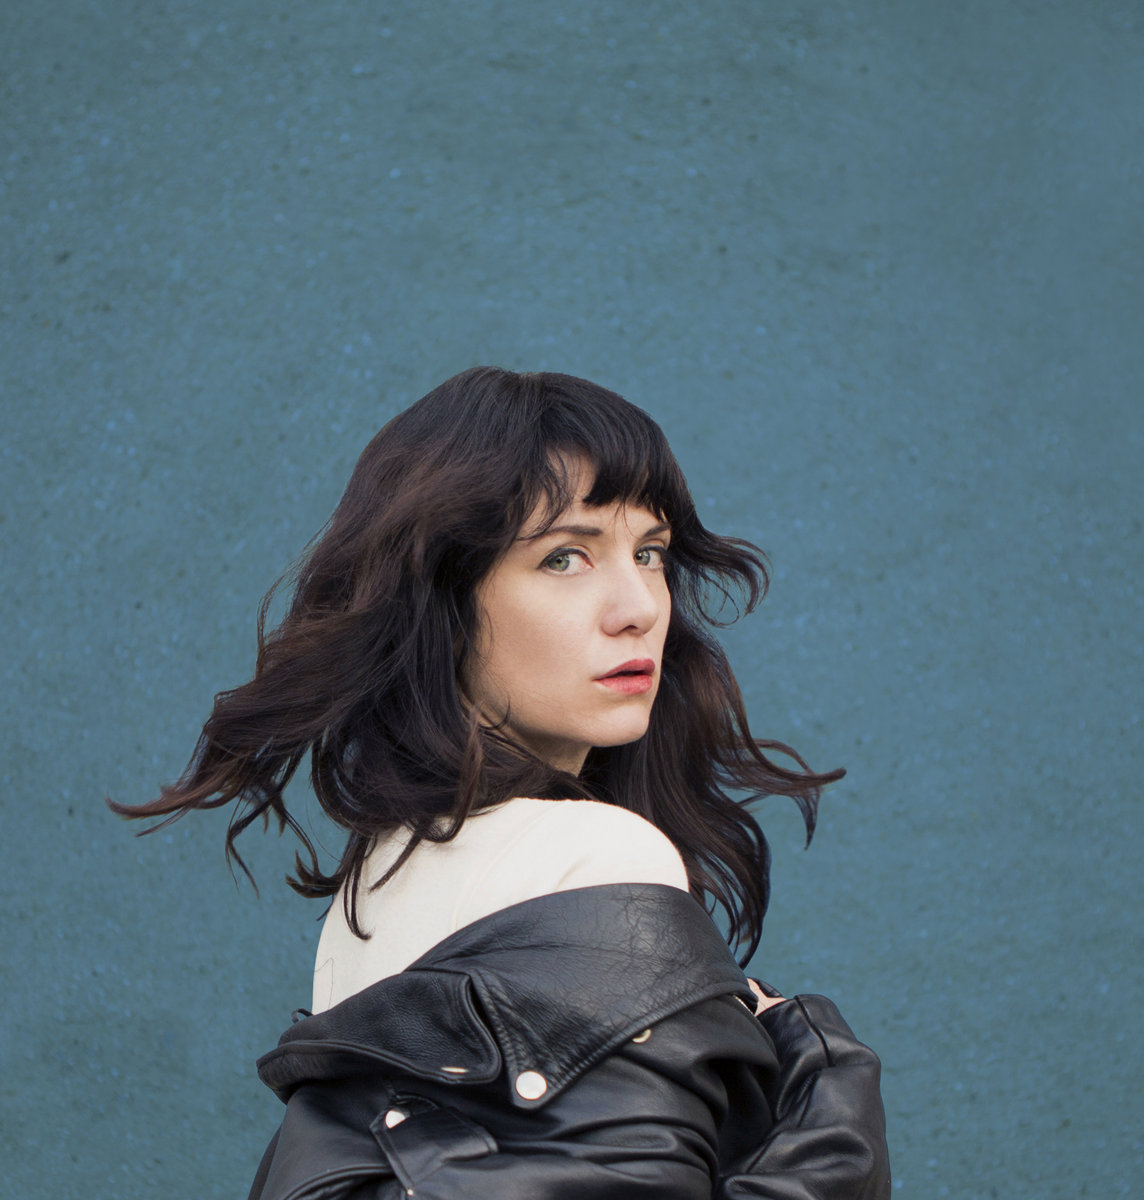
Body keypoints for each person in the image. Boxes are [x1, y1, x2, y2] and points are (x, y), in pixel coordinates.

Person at [114, 367, 891, 1198]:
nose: (637, 606)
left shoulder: (368, 898)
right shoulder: (594, 853)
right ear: (444, 601)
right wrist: (831, 1102)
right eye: (565, 557)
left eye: (650, 553)